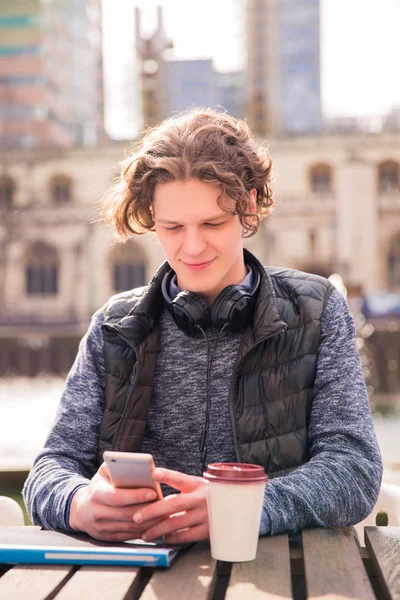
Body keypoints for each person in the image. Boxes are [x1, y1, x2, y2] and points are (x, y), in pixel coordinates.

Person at [23, 108, 382, 544]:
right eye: (172, 227)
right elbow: (49, 470)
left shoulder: (319, 310)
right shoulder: (113, 326)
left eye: (212, 224)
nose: (191, 247)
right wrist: (79, 503)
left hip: (279, 576)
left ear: (248, 205)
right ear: (151, 217)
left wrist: (244, 509)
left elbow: (354, 470)